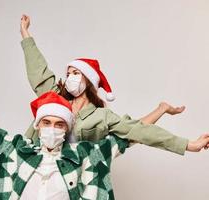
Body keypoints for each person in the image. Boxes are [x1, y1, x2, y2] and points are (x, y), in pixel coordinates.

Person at [0, 91, 209, 200]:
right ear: (38, 125)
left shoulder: (86, 155)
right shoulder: (15, 149)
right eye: (47, 123)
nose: (53, 129)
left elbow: (132, 134)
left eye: (59, 125)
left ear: (67, 128)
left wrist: (189, 145)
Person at [19, 14, 207, 155]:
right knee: (129, 133)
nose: (70, 78)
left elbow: (138, 131)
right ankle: (162, 108)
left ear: (89, 80)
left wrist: (188, 145)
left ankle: (161, 108)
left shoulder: (102, 116)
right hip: (39, 165)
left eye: (76, 73)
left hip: (75, 175)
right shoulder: (56, 99)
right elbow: (39, 72)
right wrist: (25, 34)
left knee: (130, 134)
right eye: (68, 74)